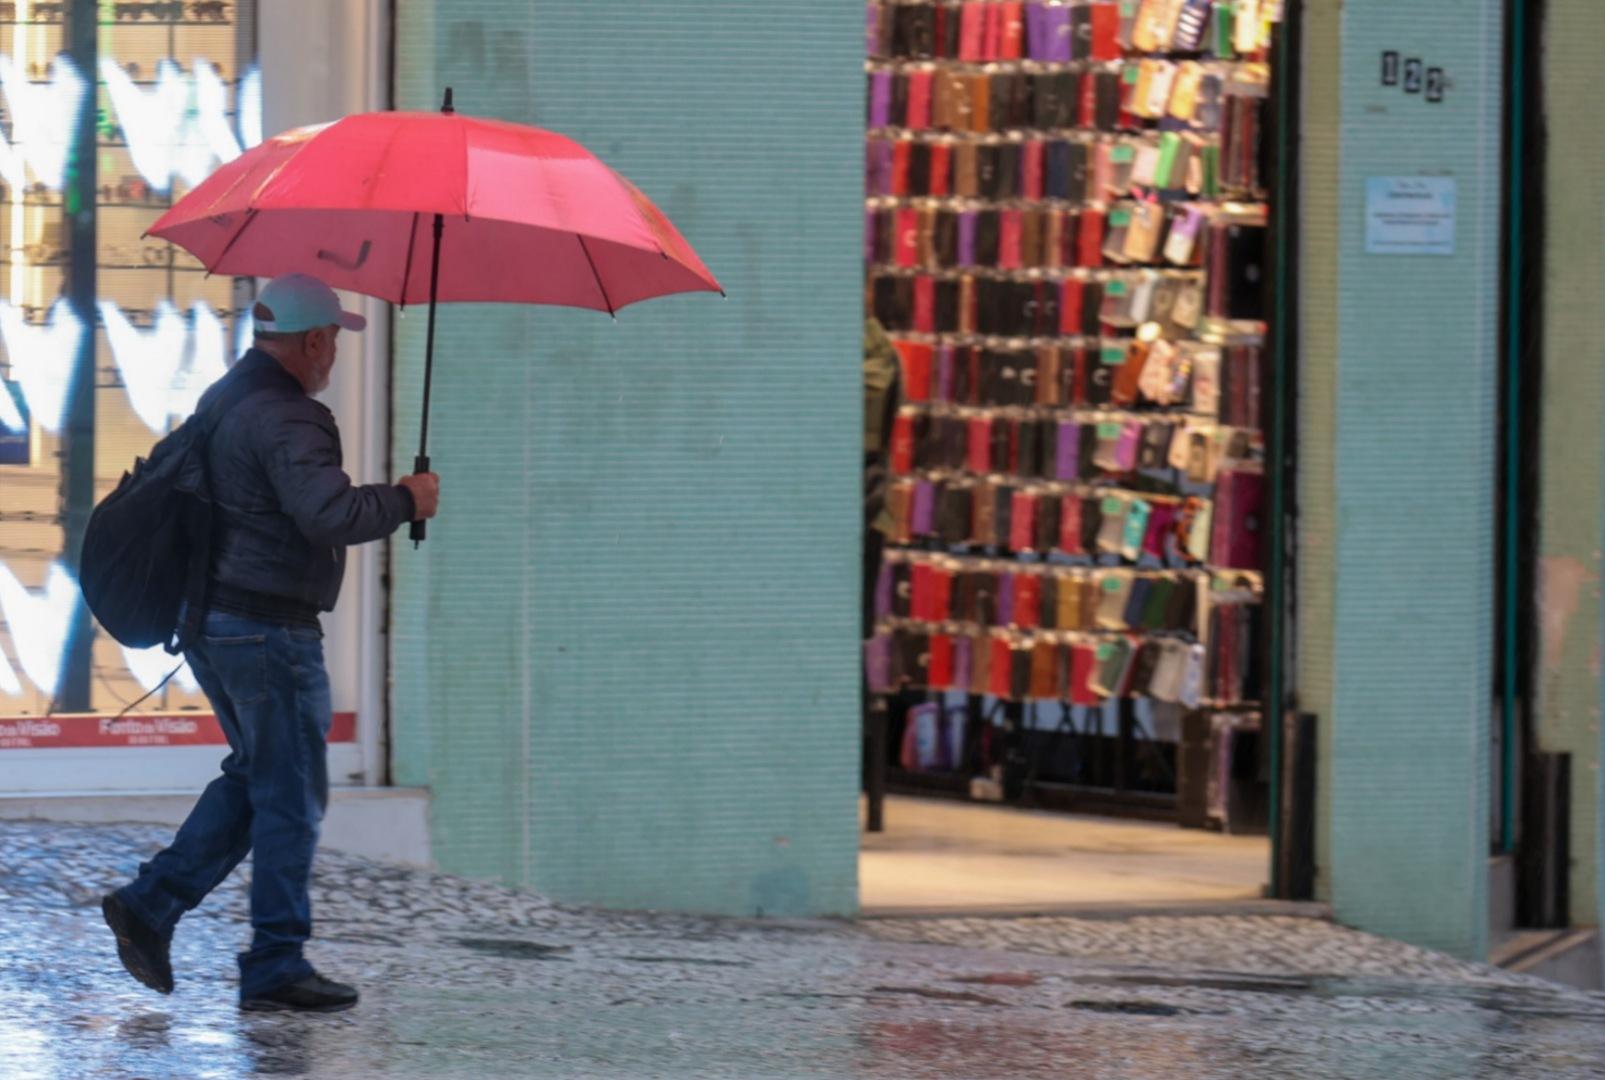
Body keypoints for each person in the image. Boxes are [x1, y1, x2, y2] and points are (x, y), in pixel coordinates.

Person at [100, 273, 439, 1013]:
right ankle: (276, 963)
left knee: (258, 778)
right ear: (314, 341)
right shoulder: (291, 416)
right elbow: (327, 514)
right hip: (266, 631)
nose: (335, 357)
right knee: (290, 798)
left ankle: (151, 904)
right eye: (333, 343)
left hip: (213, 622)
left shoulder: (228, 398)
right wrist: (405, 500)